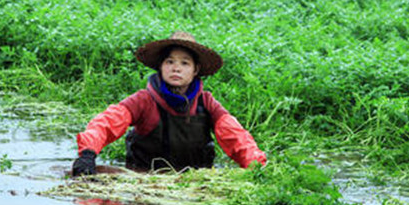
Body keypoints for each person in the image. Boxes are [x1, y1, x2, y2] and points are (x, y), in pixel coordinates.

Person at [71, 31, 267, 176]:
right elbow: (106, 123)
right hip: (143, 182)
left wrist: (258, 168)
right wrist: (87, 154)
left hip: (196, 185)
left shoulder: (207, 103)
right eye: (170, 62)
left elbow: (237, 138)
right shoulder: (143, 100)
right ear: (161, 67)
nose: (176, 68)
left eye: (184, 63)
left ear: (195, 70)